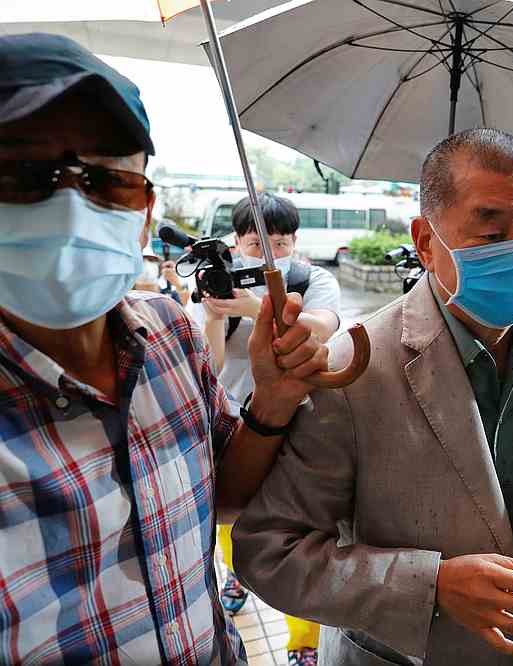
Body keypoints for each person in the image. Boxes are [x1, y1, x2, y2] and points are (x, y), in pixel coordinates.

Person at [231, 129, 513, 665]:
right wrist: (431, 586)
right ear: (425, 241)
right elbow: (269, 550)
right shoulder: (352, 370)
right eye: (490, 234)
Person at [0, 34, 329, 663]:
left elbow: (224, 499)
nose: (71, 207)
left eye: (105, 180)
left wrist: (276, 397)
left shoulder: (166, 334)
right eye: (22, 173)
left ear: (145, 212)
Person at [187, 193, 341, 666]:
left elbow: (323, 329)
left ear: (295, 242)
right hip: (235, 433)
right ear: (235, 243)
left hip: (300, 432)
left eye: (281, 242)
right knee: (232, 525)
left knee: (304, 542)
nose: (270, 253)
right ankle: (238, 573)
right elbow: (205, 370)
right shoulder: (216, 285)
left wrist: (257, 308)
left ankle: (303, 645)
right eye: (257, 244)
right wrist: (215, 316)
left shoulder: (309, 279)